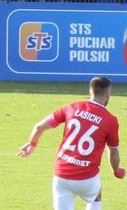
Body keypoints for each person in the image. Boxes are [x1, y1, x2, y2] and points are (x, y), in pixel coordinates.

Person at [18, 76, 122, 210]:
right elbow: (113, 152)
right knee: (96, 195)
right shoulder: (110, 120)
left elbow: (39, 127)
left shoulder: (71, 107)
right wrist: (116, 171)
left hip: (61, 176)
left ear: (90, 91)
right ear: (108, 94)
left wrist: (32, 143)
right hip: (87, 178)